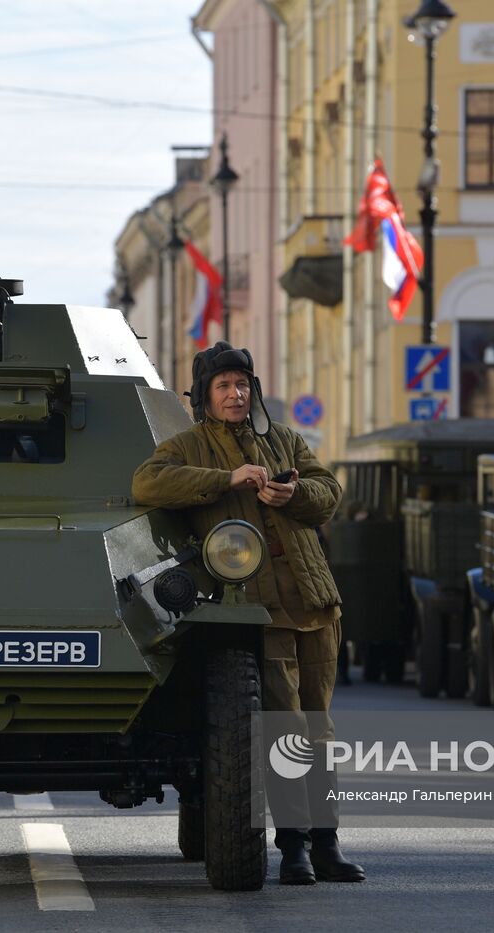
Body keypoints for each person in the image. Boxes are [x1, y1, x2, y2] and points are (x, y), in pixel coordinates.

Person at [131, 340, 365, 886]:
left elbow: (328, 492)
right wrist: (226, 480)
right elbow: (147, 483)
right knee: (285, 728)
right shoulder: (188, 445)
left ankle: (327, 844)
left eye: (242, 385)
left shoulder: (280, 437)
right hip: (254, 608)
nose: (235, 395)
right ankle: (294, 849)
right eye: (223, 387)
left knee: (320, 728)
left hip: (312, 598)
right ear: (204, 397)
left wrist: (294, 493)